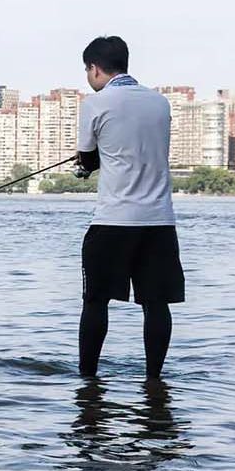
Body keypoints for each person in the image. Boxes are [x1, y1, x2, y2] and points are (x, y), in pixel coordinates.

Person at [74, 35, 183, 379]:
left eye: (87, 71)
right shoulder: (160, 103)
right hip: (159, 222)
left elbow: (87, 158)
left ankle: (88, 380)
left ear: (95, 68)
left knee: (95, 301)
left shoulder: (95, 103)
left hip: (114, 220)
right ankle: (154, 379)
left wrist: (85, 165)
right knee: (157, 304)